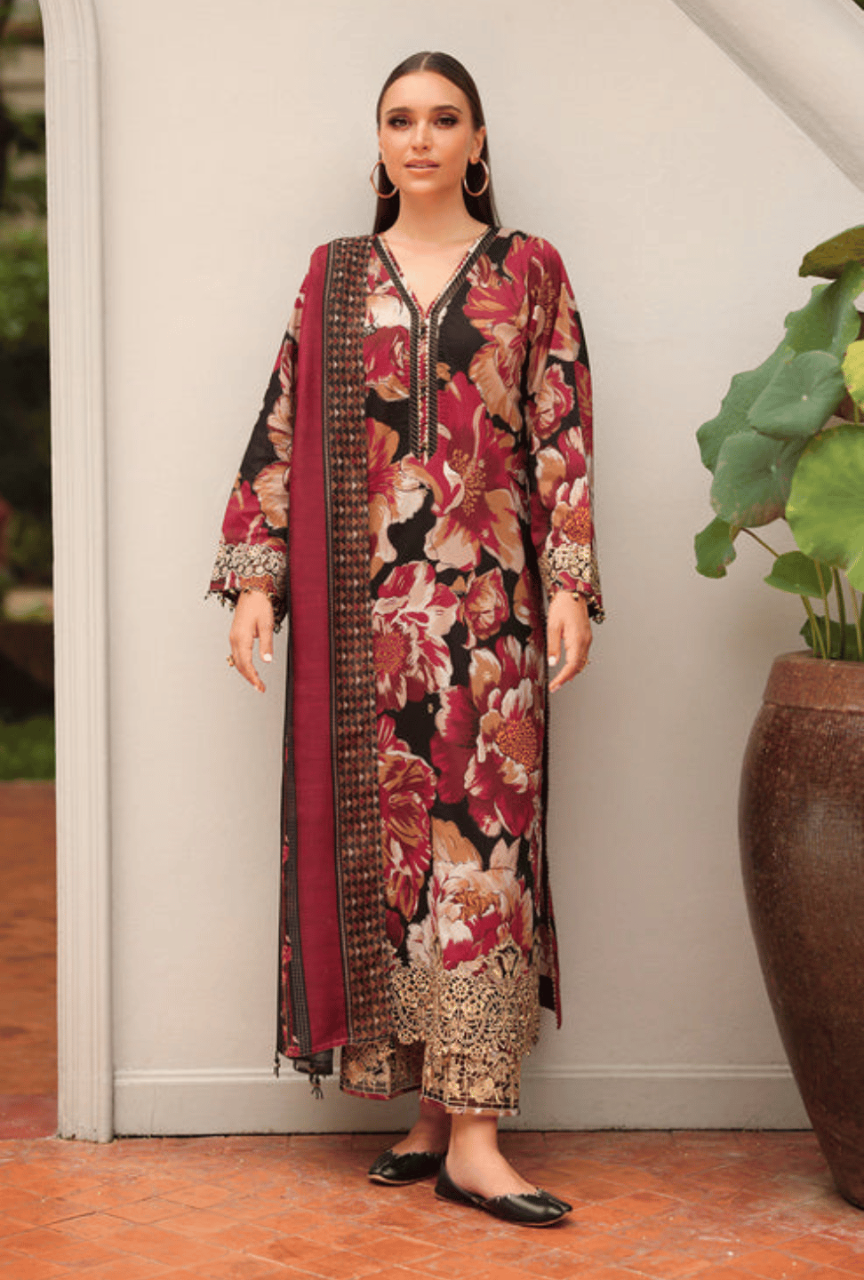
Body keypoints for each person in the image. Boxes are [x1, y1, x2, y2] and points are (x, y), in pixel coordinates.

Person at [209, 50, 603, 1228]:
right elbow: (283, 422)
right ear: (377, 142)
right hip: (363, 623)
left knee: (484, 847)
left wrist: (571, 581)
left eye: (444, 118)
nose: (421, 137)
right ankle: (429, 1112)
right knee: (394, 859)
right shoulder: (334, 279)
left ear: (478, 140)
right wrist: (255, 581)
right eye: (399, 119)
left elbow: (562, 423)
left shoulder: (528, 270)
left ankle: (480, 1132)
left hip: (491, 624)